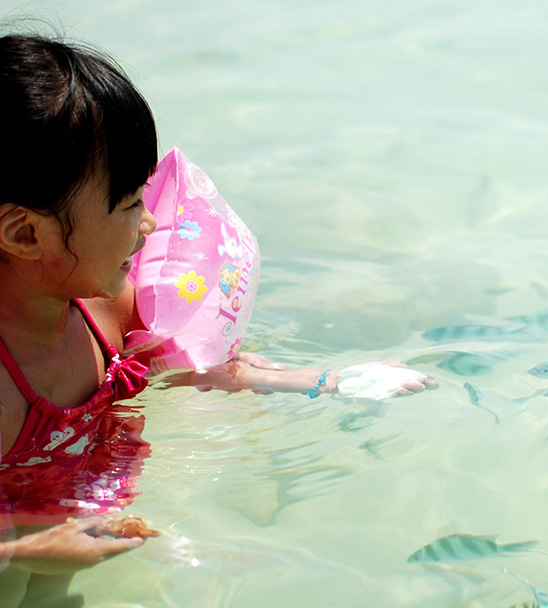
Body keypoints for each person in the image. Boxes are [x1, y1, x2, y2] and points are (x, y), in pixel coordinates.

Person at [0, 32, 435, 599]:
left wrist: (327, 381)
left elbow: (190, 367)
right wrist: (23, 550)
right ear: (25, 233)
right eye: (131, 205)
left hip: (75, 520)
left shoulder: (105, 305)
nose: (151, 226)